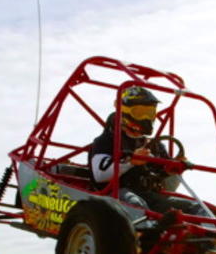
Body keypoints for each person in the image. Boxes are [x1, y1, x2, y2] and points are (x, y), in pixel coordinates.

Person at [88, 86, 206, 217]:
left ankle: (214, 234)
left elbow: (166, 185)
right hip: (114, 195)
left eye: (149, 113)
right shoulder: (106, 140)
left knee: (197, 207)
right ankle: (149, 232)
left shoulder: (154, 145)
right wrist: (131, 161)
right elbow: (100, 175)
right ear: (123, 111)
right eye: (139, 112)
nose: (145, 118)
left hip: (147, 195)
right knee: (136, 204)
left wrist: (173, 170)